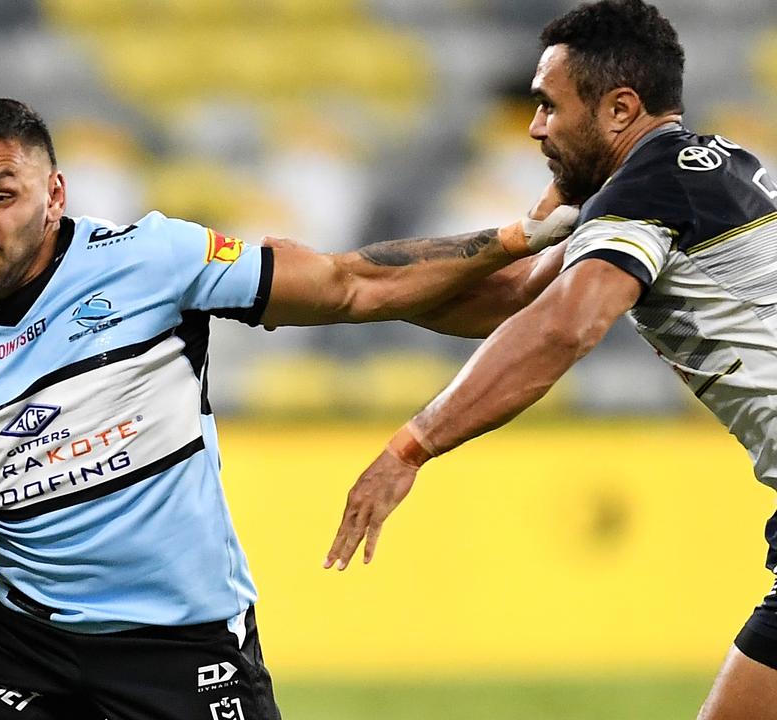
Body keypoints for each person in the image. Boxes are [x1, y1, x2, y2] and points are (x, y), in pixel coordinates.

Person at [0, 97, 575, 720]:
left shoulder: (152, 261)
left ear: (53, 199)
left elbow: (348, 285)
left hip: (182, 642)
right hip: (30, 640)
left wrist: (513, 239)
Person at [325, 2, 777, 718]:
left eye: (548, 106)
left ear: (619, 109)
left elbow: (563, 326)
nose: (535, 128)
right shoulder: (709, 166)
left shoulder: (650, 188)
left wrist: (410, 447)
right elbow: (510, 300)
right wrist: (353, 294)